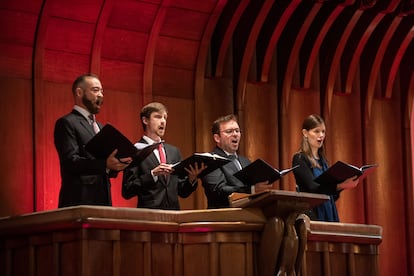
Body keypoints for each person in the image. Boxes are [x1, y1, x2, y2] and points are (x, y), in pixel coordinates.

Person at [54, 73, 132, 208]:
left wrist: (117, 165)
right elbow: (70, 161)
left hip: (103, 201)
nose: (101, 95)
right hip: (79, 201)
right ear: (79, 92)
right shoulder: (66, 123)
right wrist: (105, 164)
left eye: (102, 91)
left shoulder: (100, 127)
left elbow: (104, 166)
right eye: (95, 90)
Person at [122, 102, 205, 210]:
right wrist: (152, 174)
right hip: (149, 216)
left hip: (174, 215)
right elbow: (127, 190)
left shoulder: (174, 152)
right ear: (145, 120)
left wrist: (191, 179)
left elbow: (182, 192)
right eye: (158, 117)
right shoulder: (135, 151)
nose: (163, 121)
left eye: (165, 117)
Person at [292, 114, 359, 222]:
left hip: (329, 212)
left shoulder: (323, 161)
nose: (321, 135)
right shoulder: (299, 158)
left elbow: (332, 196)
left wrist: (344, 185)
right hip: (313, 214)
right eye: (316, 131)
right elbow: (313, 188)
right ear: (305, 133)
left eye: (323, 131)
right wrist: (339, 185)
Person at [201, 114, 269, 208]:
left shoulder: (245, 161)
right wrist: (251, 190)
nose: (235, 134)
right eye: (229, 131)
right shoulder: (210, 160)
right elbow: (218, 190)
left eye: (237, 131)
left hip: (250, 214)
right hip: (224, 218)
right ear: (217, 138)